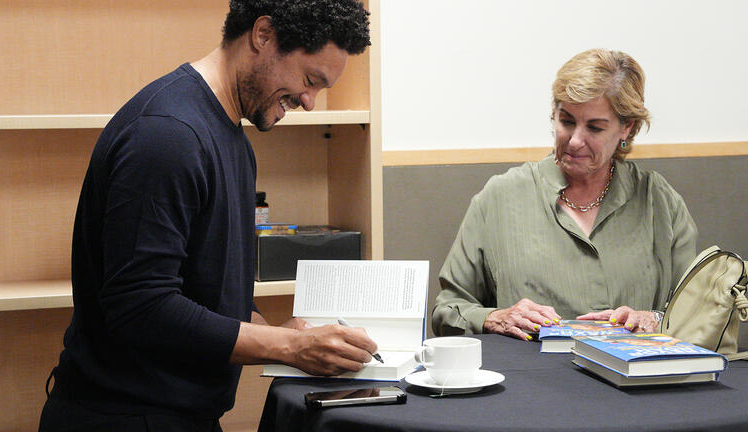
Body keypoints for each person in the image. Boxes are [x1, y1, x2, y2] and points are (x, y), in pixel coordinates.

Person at [39, 1, 375, 430]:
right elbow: (141, 307)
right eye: (310, 80)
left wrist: (288, 335)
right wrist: (287, 347)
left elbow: (211, 293)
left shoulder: (231, 137)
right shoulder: (167, 135)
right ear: (263, 35)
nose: (310, 102)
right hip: (124, 417)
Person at [432, 49, 697, 341]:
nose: (574, 140)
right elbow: (448, 310)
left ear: (627, 127)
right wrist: (495, 317)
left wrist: (656, 319)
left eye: (594, 127)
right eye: (566, 121)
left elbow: (698, 313)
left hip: (639, 381)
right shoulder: (499, 198)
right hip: (531, 380)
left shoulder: (658, 202)